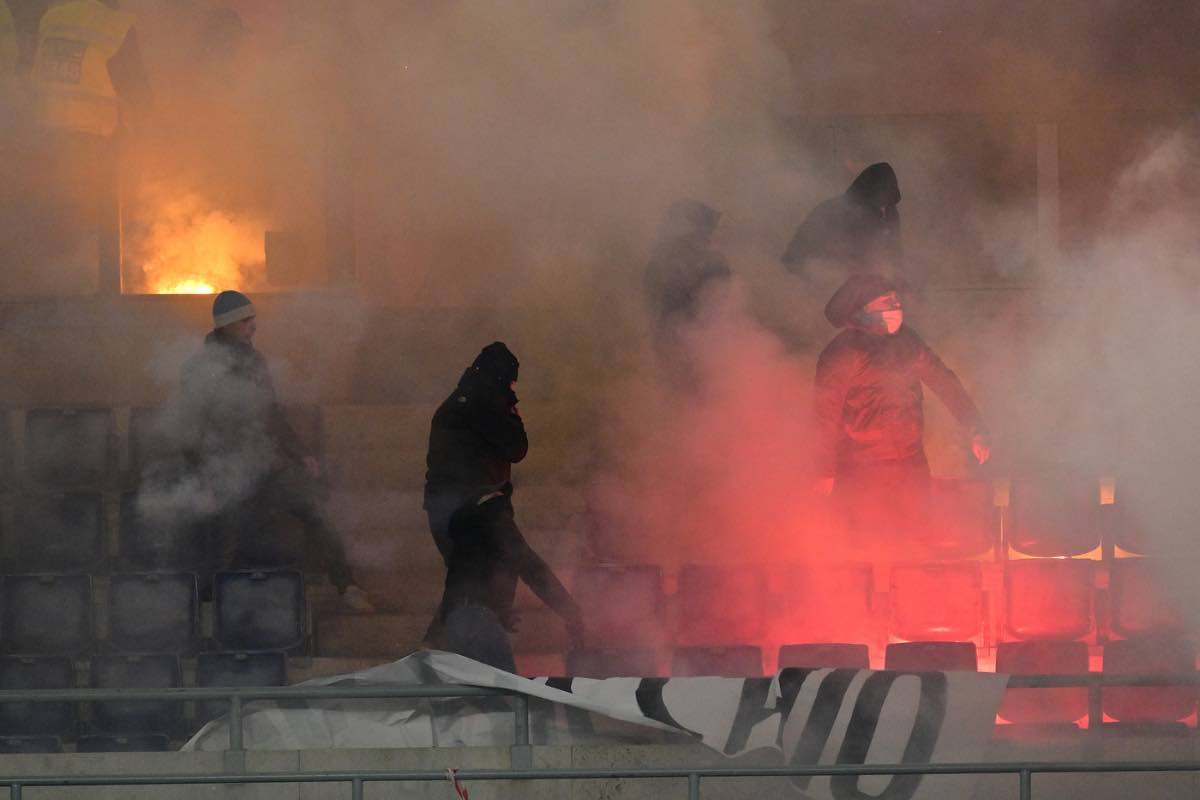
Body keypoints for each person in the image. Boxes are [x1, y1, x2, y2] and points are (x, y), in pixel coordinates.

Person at [176, 290, 374, 611]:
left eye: (252, 318)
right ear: (226, 324)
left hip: (265, 467)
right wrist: (206, 476)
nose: (253, 325)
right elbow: (191, 426)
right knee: (223, 541)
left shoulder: (256, 361)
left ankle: (347, 585)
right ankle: (207, 611)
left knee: (315, 510)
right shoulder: (201, 367)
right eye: (245, 320)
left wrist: (302, 454)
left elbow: (272, 415)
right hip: (227, 475)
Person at [424, 342, 583, 669]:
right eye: (510, 385)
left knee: (468, 577)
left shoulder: (456, 406)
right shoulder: (487, 513)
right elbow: (528, 564)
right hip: (476, 624)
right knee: (508, 702)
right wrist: (571, 612)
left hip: (465, 610)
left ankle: (437, 640)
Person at [813, 274, 990, 541]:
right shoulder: (843, 352)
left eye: (897, 300)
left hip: (911, 465)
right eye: (887, 301)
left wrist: (975, 427)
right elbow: (824, 415)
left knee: (916, 542)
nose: (896, 307)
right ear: (864, 308)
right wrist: (823, 470)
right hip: (861, 470)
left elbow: (944, 382)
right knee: (866, 546)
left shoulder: (908, 342)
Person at [782, 162, 902, 280]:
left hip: (864, 281)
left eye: (887, 204)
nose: (883, 211)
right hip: (821, 278)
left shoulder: (890, 212)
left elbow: (894, 250)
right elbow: (799, 253)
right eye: (880, 203)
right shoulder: (835, 212)